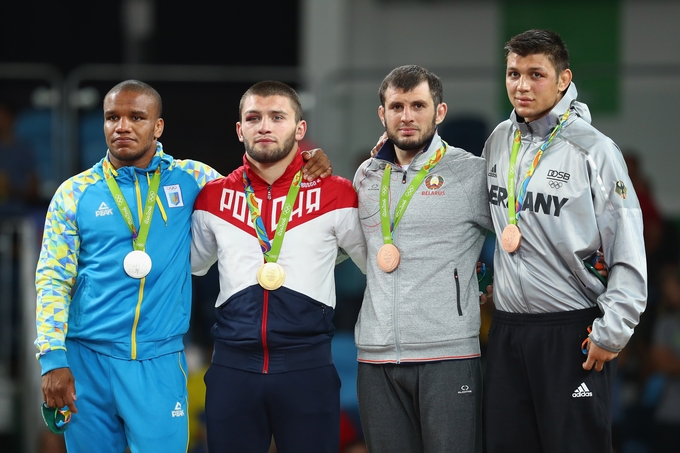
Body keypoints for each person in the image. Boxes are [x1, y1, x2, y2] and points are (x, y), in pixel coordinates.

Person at [34, 79, 332, 453]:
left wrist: (304, 162)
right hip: (86, 360)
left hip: (159, 360)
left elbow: (258, 192)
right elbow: (52, 278)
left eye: (136, 117)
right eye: (112, 117)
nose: (122, 126)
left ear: (158, 126)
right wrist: (52, 359)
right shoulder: (74, 193)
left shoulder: (194, 179)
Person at [482, 29, 647, 453]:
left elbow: (627, 246)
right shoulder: (498, 140)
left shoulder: (595, 150)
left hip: (572, 331)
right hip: (507, 332)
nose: (522, 86)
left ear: (563, 79)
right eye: (513, 74)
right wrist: (394, 150)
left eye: (536, 74)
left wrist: (612, 331)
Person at [190, 80, 366, 453]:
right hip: (232, 370)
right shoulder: (212, 197)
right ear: (240, 129)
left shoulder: (337, 194)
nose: (265, 126)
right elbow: (194, 266)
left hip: (308, 369)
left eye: (277, 117)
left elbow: (375, 266)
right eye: (253, 118)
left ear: (300, 129)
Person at [353, 65, 492, 452]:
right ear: (382, 114)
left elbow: (520, 237)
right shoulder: (366, 175)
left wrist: (487, 281)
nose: (407, 116)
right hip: (376, 355)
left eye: (418, 105)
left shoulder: (470, 173)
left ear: (440, 111)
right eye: (397, 107)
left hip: (448, 353)